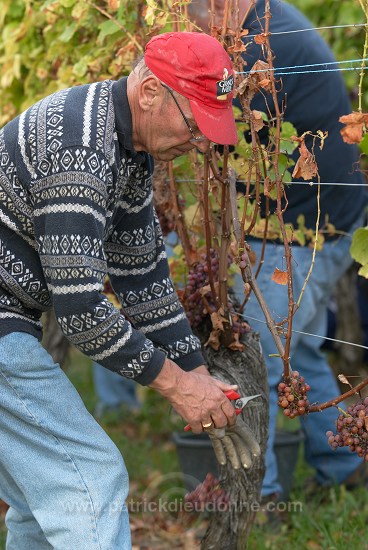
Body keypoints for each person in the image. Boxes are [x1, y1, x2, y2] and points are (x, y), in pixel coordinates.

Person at [0, 32, 261, 549]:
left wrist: (196, 371)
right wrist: (179, 387)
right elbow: (81, 309)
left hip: (13, 315)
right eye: (194, 123)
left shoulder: (127, 147)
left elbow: (141, 276)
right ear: (148, 93)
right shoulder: (79, 148)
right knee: (91, 482)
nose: (200, 140)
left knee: (44, 501)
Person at [188, 0, 368, 499]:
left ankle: (259, 494)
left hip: (301, 236)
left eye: (201, 25)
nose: (203, 37)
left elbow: (213, 129)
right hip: (318, 226)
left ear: (222, 8)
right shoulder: (266, 20)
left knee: (256, 363)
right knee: (299, 348)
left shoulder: (267, 44)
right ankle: (342, 469)